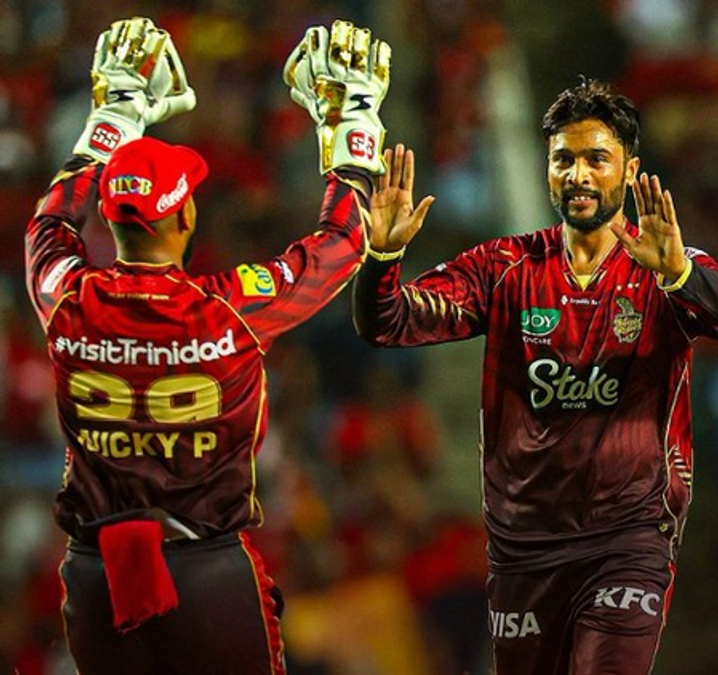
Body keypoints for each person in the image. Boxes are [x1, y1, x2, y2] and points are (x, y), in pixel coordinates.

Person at [25, 16, 391, 675]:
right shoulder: (226, 312)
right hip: (206, 573)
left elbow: (48, 224)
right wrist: (354, 130)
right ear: (187, 214)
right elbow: (341, 244)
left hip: (95, 575)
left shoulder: (67, 299)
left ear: (109, 215)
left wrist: (113, 116)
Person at [351, 77, 718, 674]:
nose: (578, 175)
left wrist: (679, 276)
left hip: (628, 540)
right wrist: (382, 259)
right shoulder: (503, 267)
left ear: (630, 171)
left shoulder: (665, 265)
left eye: (596, 159)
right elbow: (387, 323)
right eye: (563, 160)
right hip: (523, 548)